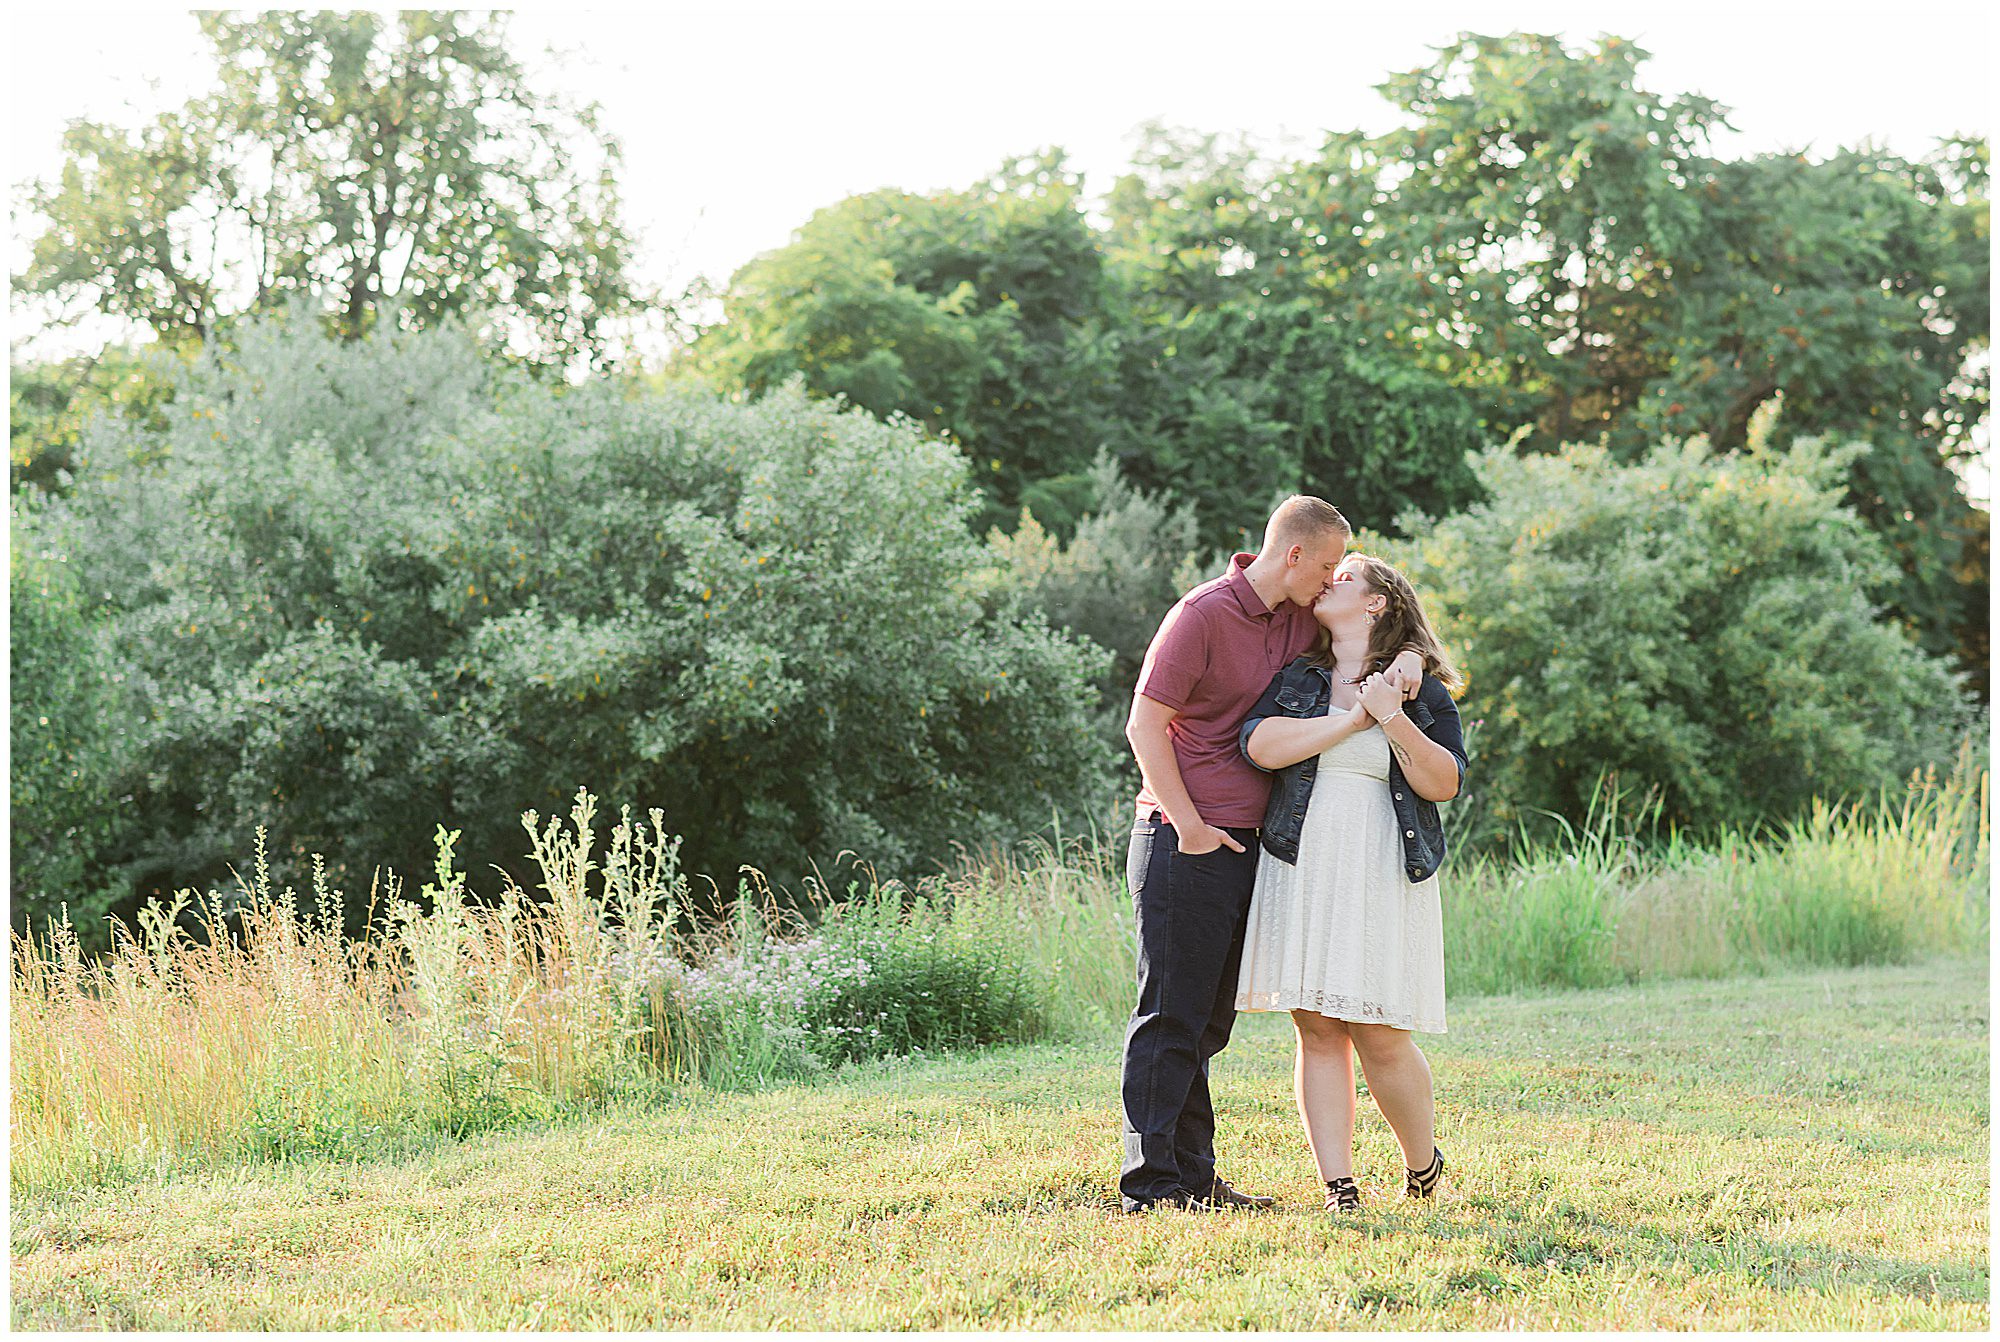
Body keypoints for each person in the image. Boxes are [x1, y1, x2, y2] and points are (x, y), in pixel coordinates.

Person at [1119, 500, 1424, 1215]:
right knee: (1168, 1016)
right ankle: (1151, 1186)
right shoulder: (1200, 615)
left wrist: (1409, 658)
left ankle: (1193, 1178)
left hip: (1253, 845)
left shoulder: (1296, 617)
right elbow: (1144, 723)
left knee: (1206, 1023)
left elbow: (1386, 631)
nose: (1329, 583)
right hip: (1183, 838)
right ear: (1293, 556)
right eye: (1325, 566)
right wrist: (1188, 825)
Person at [1235, 553, 1467, 1214]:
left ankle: (1422, 1163)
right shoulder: (1298, 678)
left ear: (1376, 603)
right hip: (1303, 861)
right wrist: (1352, 720)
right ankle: (1339, 1186)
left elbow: (1443, 783)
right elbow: (1258, 745)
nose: (1330, 581)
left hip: (1380, 866)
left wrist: (1390, 715)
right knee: (1315, 1026)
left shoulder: (1419, 689)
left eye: (1347, 577)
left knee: (1380, 1032)